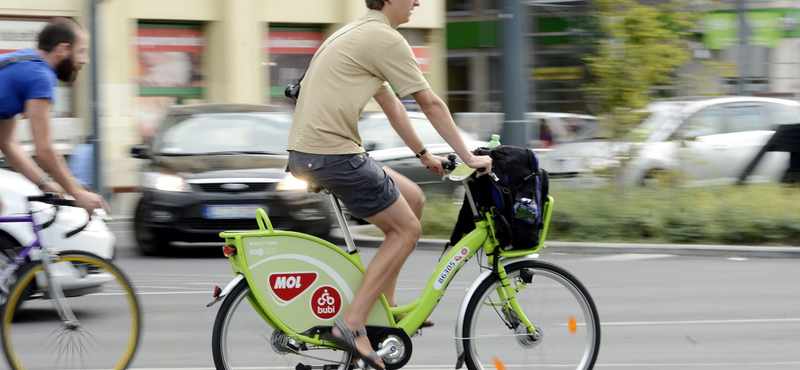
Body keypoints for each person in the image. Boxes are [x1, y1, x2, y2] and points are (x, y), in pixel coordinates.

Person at [285, 1, 492, 368]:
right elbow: (429, 103)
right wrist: (470, 157)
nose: (417, 2)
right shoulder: (384, 39)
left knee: (412, 199)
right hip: (333, 155)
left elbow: (393, 106)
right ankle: (351, 324)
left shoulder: (356, 33)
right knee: (407, 230)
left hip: (313, 153)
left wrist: (424, 154)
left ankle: (386, 310)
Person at [0, 18, 107, 216]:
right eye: (82, 51)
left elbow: (6, 142)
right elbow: (45, 148)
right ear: (63, 49)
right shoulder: (40, 75)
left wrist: (44, 182)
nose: (85, 60)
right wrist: (77, 192)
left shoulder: (23, 65)